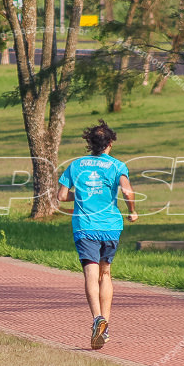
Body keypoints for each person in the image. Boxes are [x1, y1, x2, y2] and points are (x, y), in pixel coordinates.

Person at [57, 120, 137, 350]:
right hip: (111, 226)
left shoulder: (76, 165)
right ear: (110, 143)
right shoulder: (117, 165)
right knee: (106, 273)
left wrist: (82, 197)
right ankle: (106, 325)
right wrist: (132, 211)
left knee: (90, 274)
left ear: (90, 144)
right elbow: (127, 190)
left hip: (85, 227)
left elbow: (62, 196)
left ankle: (97, 319)